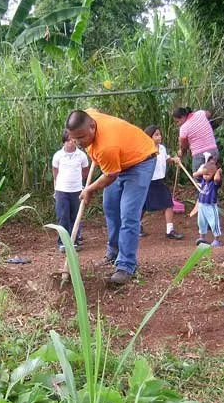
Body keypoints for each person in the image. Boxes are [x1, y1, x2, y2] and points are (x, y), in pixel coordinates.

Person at [65, 109, 157, 285]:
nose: (78, 143)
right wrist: (88, 142)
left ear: (92, 126)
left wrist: (89, 189)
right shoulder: (89, 116)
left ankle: (126, 265)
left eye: (81, 137)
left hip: (140, 161)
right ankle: (113, 251)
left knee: (129, 214)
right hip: (119, 159)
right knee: (111, 207)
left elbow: (110, 175)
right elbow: (90, 109)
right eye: (74, 138)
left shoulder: (107, 147)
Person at [140, 125, 183, 240]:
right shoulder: (145, 150)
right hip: (147, 182)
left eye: (160, 134)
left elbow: (166, 159)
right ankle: (136, 226)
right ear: (150, 137)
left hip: (159, 181)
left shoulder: (162, 148)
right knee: (142, 206)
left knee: (168, 204)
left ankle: (170, 230)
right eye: (156, 135)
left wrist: (174, 159)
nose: (160, 137)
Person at [52, 129, 89, 251]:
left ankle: (74, 240)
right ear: (64, 142)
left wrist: (80, 184)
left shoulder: (82, 156)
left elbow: (85, 172)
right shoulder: (58, 156)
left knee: (75, 215)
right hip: (62, 190)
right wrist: (56, 189)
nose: (70, 143)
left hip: (77, 190)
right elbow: (55, 173)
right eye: (68, 140)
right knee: (63, 216)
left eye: (73, 140)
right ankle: (63, 241)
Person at [173, 107, 218, 173]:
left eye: (177, 121)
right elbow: (208, 114)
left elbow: (185, 146)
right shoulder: (200, 113)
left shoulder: (184, 128)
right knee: (211, 176)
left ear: (183, 117)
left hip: (199, 155)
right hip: (213, 151)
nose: (177, 124)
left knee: (198, 178)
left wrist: (181, 151)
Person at [192, 160, 223, 247]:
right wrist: (203, 171)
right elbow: (194, 174)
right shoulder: (203, 180)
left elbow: (217, 178)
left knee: (214, 223)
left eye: (207, 174)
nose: (205, 176)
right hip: (201, 205)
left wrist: (217, 171)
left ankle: (217, 240)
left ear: (213, 174)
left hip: (210, 206)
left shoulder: (215, 183)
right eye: (204, 175)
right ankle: (202, 238)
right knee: (201, 223)